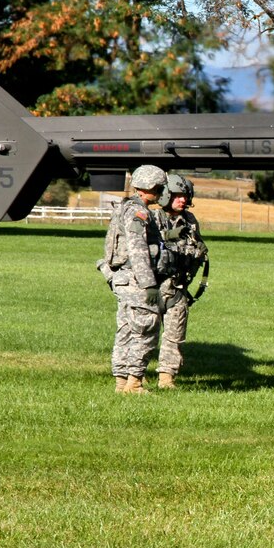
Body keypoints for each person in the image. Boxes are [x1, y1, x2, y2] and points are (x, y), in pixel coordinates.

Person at [97, 164, 170, 394]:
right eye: (159, 188)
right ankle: (134, 383)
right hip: (136, 280)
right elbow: (138, 249)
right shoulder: (138, 212)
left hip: (125, 278)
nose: (161, 193)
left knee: (127, 331)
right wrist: (149, 284)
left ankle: (122, 382)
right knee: (146, 330)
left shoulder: (127, 208)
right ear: (150, 187)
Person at [153, 174, 208, 390]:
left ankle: (167, 378)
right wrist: (169, 235)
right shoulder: (153, 217)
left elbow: (196, 246)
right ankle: (135, 376)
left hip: (177, 287)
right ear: (166, 195)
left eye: (185, 196)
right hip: (153, 286)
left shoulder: (190, 220)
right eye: (177, 195)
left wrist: (200, 250)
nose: (182, 200)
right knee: (145, 333)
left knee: (175, 334)